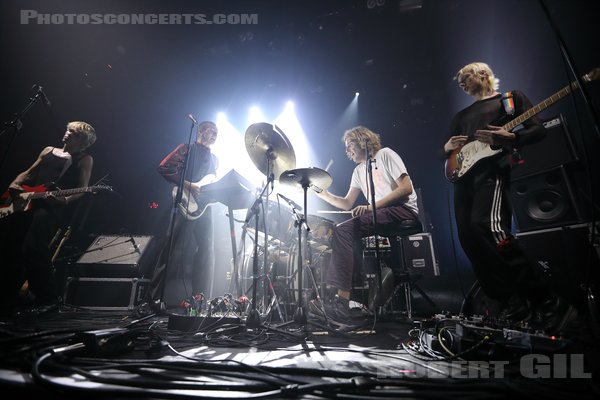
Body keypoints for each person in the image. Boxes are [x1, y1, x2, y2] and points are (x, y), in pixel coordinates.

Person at [443, 61, 576, 333]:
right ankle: (512, 303)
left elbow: (537, 129)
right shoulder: (460, 115)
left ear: (482, 74)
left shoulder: (510, 100)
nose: (460, 82)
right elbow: (448, 153)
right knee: (468, 238)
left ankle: (548, 301)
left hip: (492, 173)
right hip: (464, 181)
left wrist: (510, 137)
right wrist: (446, 148)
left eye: (464, 76)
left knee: (489, 229)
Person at [312, 126, 419, 323]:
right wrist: (323, 194)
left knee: (343, 231)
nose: (347, 151)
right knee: (345, 233)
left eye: (349, 145)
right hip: (381, 212)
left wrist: (371, 207)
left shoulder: (386, 154)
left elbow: (406, 188)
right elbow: (346, 203)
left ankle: (342, 301)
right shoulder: (358, 171)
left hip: (402, 209)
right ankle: (354, 300)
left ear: (362, 140)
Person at [0, 121, 96, 314]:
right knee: (13, 246)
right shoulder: (48, 150)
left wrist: (65, 200)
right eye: (68, 130)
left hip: (51, 208)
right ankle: (8, 297)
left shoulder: (84, 159)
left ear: (82, 140)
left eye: (73, 133)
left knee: (35, 249)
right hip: (27, 202)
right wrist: (15, 185)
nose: (67, 133)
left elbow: (84, 189)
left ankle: (48, 299)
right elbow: (28, 173)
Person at [157, 121, 219, 303]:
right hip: (184, 202)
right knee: (172, 249)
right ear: (200, 131)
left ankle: (199, 298)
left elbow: (209, 184)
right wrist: (188, 185)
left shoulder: (215, 159)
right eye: (211, 130)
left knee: (207, 250)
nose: (215, 134)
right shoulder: (186, 149)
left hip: (205, 207)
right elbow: (164, 167)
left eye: (217, 132)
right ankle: (154, 298)